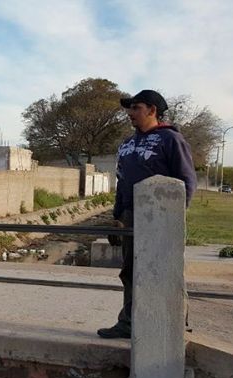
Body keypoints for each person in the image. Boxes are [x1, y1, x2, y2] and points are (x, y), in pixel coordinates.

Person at [97, 90, 197, 339]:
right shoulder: (128, 144)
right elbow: (121, 182)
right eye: (129, 109)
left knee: (165, 270)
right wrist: (117, 217)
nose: (130, 113)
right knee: (130, 270)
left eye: (136, 108)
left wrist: (173, 220)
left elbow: (187, 181)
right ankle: (128, 323)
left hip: (161, 217)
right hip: (131, 215)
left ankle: (174, 323)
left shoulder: (171, 140)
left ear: (152, 110)